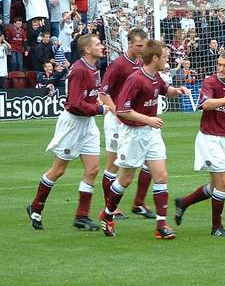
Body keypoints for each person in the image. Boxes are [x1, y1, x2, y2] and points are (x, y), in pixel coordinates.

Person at [100, 40, 190, 239]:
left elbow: (165, 90)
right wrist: (148, 119)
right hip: (133, 134)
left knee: (161, 176)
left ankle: (161, 226)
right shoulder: (135, 79)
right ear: (155, 58)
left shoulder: (156, 76)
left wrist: (178, 90)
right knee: (125, 179)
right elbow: (123, 110)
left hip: (151, 133)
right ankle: (107, 215)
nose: (167, 60)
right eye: (165, 57)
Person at [27, 34, 114, 231]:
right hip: (73, 123)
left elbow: (91, 96)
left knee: (92, 169)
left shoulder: (95, 66)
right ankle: (36, 206)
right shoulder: (79, 69)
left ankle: (81, 216)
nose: (102, 46)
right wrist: (98, 109)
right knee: (58, 170)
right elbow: (74, 104)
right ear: (87, 50)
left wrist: (100, 105)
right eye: (98, 44)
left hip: (88, 124)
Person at [174, 51, 225, 237]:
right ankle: (216, 227)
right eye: (219, 64)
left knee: (216, 186)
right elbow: (204, 105)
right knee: (223, 183)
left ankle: (183, 203)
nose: (220, 68)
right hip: (210, 138)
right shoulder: (210, 82)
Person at [99, 28, 155, 220]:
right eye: (139, 46)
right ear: (129, 44)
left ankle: (139, 203)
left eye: (144, 46)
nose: (142, 49)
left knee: (150, 162)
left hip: (135, 121)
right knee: (113, 165)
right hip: (117, 121)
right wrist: (118, 113)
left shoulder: (142, 63)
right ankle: (110, 208)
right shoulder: (118, 65)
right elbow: (103, 94)